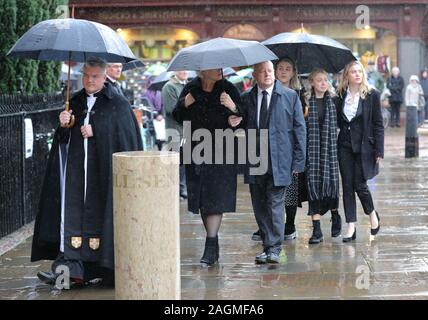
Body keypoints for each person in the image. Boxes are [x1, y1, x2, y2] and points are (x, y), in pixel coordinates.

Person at [31, 57, 143, 288]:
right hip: (75, 176)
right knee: (69, 221)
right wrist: (64, 125)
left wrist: (98, 130)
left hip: (101, 177)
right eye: (86, 76)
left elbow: (127, 139)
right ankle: (67, 275)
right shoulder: (75, 101)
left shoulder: (117, 103)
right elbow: (61, 142)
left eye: (95, 76)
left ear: (104, 78)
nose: (90, 80)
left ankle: (101, 270)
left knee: (101, 221)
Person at [229, 61, 306, 264]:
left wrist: (299, 161)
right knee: (259, 205)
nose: (267, 74)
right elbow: (241, 126)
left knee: (275, 203)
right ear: (254, 74)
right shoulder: (247, 98)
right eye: (262, 71)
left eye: (270, 71)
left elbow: (300, 129)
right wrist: (234, 121)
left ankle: (274, 247)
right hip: (255, 159)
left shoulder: (290, 97)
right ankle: (268, 245)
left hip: (280, 160)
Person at [172, 69, 241, 266]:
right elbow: (177, 116)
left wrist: (233, 107)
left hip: (222, 151)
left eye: (221, 68)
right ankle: (213, 241)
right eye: (215, 68)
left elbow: (243, 118)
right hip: (196, 150)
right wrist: (185, 103)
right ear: (203, 71)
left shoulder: (228, 89)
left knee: (216, 198)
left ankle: (210, 244)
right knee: (203, 200)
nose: (219, 70)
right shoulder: (191, 88)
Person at [251, 57, 308, 242]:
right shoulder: (261, 93)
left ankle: (288, 224)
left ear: (293, 73)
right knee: (268, 195)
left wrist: (299, 157)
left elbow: (301, 124)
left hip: (288, 148)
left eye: (287, 69)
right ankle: (269, 229)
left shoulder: (296, 93)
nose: (283, 71)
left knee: (290, 191)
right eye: (280, 68)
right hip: (267, 151)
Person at [335, 60, 384, 242]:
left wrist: (379, 150)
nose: (357, 74)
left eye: (359, 71)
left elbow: (378, 124)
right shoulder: (339, 96)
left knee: (360, 185)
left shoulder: (372, 95)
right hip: (344, 147)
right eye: (353, 72)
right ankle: (351, 226)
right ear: (347, 75)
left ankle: (372, 214)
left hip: (365, 147)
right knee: (347, 185)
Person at [304, 68, 341, 244]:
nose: (323, 83)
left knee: (331, 185)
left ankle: (335, 215)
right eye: (319, 80)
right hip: (312, 152)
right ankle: (317, 229)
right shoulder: (305, 102)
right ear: (312, 82)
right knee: (314, 186)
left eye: (325, 80)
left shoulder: (334, 102)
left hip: (330, 152)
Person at [162, 71, 189, 199]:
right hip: (174, 131)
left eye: (186, 69)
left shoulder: (188, 86)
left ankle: (181, 188)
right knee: (174, 162)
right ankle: (173, 189)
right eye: (181, 69)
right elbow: (171, 109)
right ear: (175, 71)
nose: (184, 72)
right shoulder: (169, 87)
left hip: (187, 130)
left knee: (184, 162)